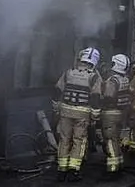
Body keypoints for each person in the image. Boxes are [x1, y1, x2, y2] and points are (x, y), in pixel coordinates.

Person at [52, 48, 103, 182]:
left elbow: (57, 90)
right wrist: (95, 116)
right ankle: (73, 170)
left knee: (64, 139)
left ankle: (61, 169)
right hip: (82, 113)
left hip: (65, 111)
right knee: (78, 141)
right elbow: (96, 97)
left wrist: (56, 107)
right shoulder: (94, 77)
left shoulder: (68, 73)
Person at [101, 54, 132, 179]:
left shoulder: (112, 80)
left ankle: (112, 169)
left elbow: (108, 97)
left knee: (110, 141)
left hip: (110, 113)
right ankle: (119, 164)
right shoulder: (125, 79)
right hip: (121, 114)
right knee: (116, 140)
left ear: (116, 64)